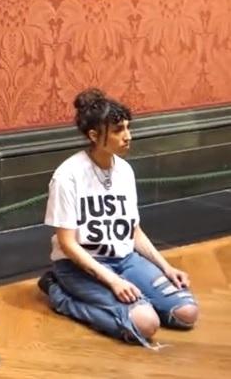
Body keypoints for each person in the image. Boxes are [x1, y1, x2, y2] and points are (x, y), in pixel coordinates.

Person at [38, 89, 199, 346]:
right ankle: (60, 295)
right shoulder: (67, 176)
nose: (128, 136)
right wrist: (113, 281)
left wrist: (166, 267)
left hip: (125, 259)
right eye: (118, 130)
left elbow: (133, 231)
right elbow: (67, 244)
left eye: (127, 127)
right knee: (145, 324)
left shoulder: (125, 171)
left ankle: (138, 303)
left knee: (186, 313)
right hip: (79, 266)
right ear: (94, 135)